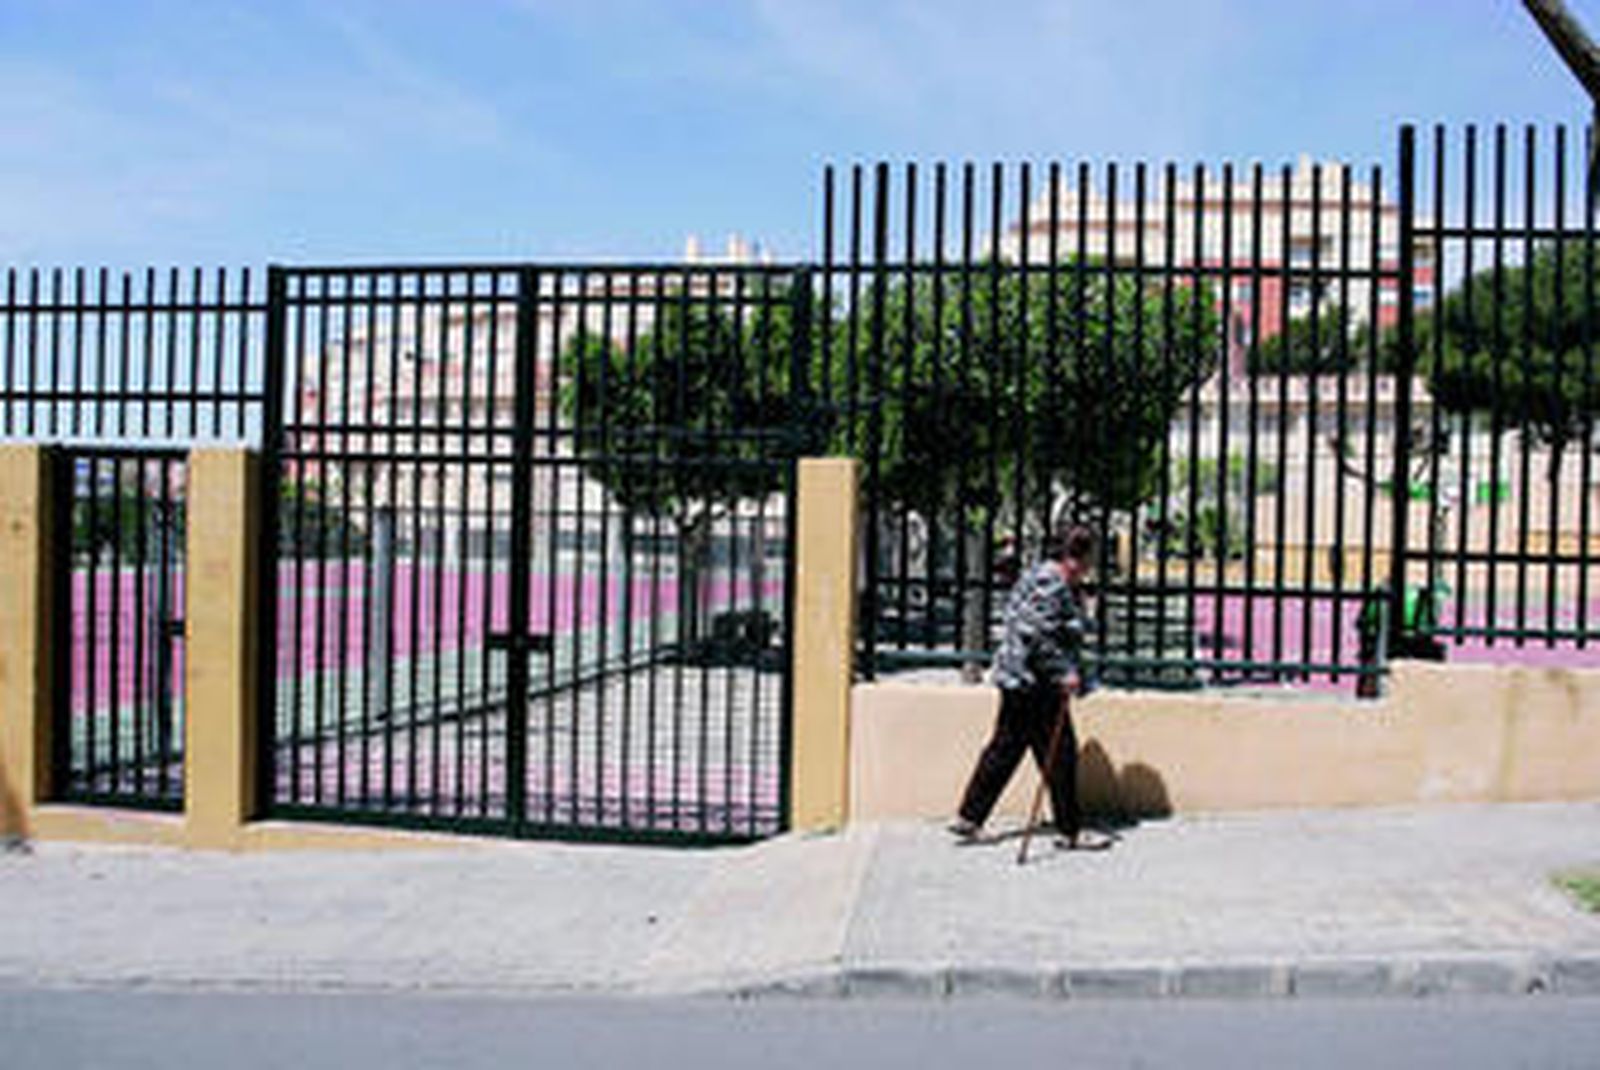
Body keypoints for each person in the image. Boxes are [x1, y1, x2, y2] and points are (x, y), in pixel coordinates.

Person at [949, 522, 1111, 850]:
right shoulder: (1050, 582)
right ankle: (1070, 831)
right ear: (1075, 557)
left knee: (1007, 748)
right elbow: (1036, 634)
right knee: (1059, 754)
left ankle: (969, 817)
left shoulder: (1045, 577)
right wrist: (1063, 671)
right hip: (1035, 681)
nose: (1091, 565)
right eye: (1090, 557)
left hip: (1021, 678)